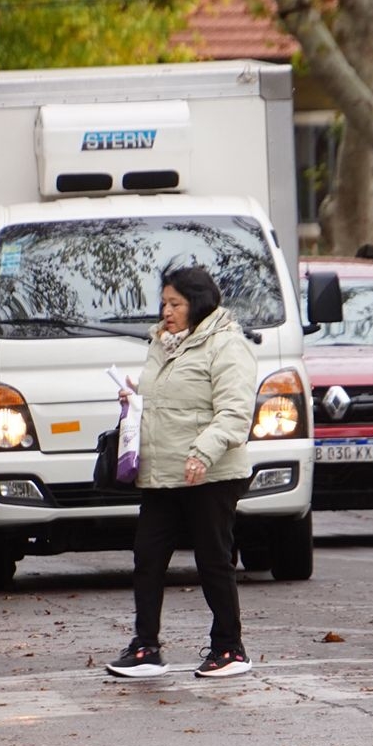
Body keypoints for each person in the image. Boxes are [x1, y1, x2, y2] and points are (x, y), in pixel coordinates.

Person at [106, 265, 256, 679]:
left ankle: (229, 647)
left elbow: (235, 412)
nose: (166, 311)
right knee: (148, 558)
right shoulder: (162, 342)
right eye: (164, 303)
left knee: (213, 559)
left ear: (198, 303)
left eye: (176, 303)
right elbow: (173, 398)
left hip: (210, 474)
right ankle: (146, 647)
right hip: (162, 472)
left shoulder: (227, 345)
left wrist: (202, 454)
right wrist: (137, 397)